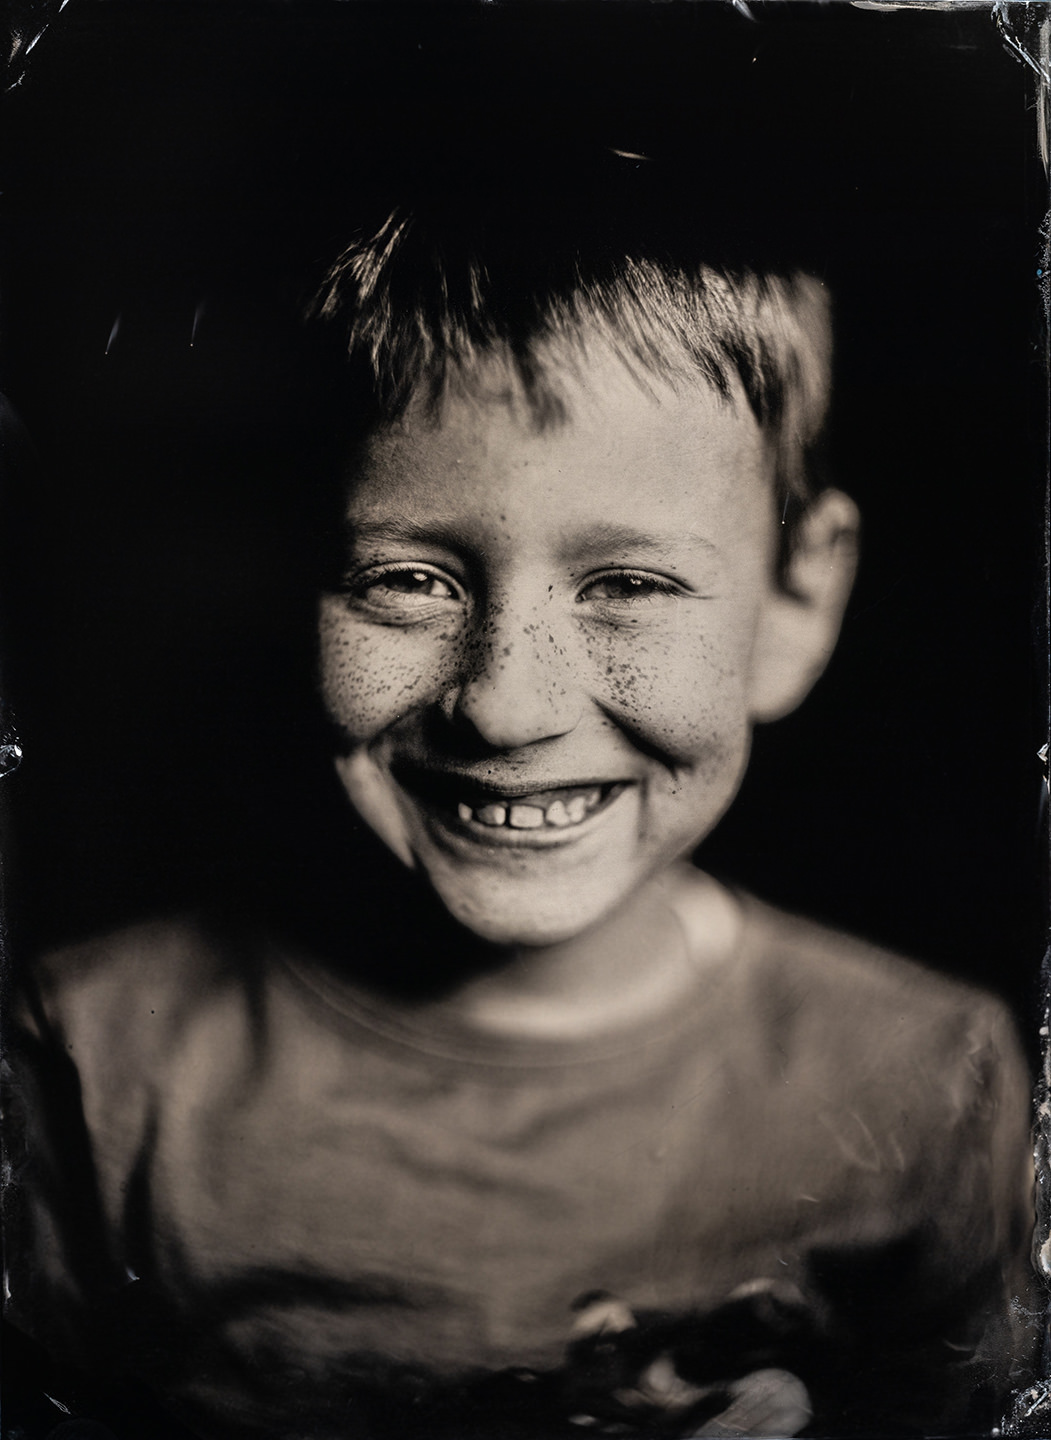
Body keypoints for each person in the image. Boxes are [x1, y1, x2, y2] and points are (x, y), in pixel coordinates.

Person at [5, 179, 1037, 1440]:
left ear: (795, 601)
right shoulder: (90, 1062)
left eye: (629, 585)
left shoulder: (930, 1079)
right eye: (407, 579)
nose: (502, 707)